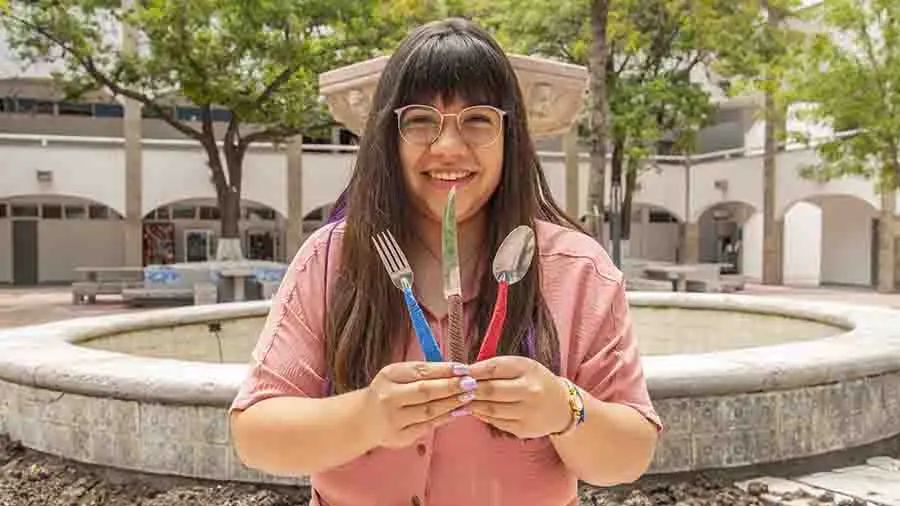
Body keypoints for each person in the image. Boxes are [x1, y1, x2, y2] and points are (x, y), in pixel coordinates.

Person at [229, 17, 662, 506]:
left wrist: (564, 408)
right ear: (388, 137)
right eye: (420, 120)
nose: (449, 148)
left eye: (478, 120)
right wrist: (365, 417)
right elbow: (255, 435)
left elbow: (630, 455)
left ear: (510, 136)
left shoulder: (577, 269)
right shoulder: (331, 258)